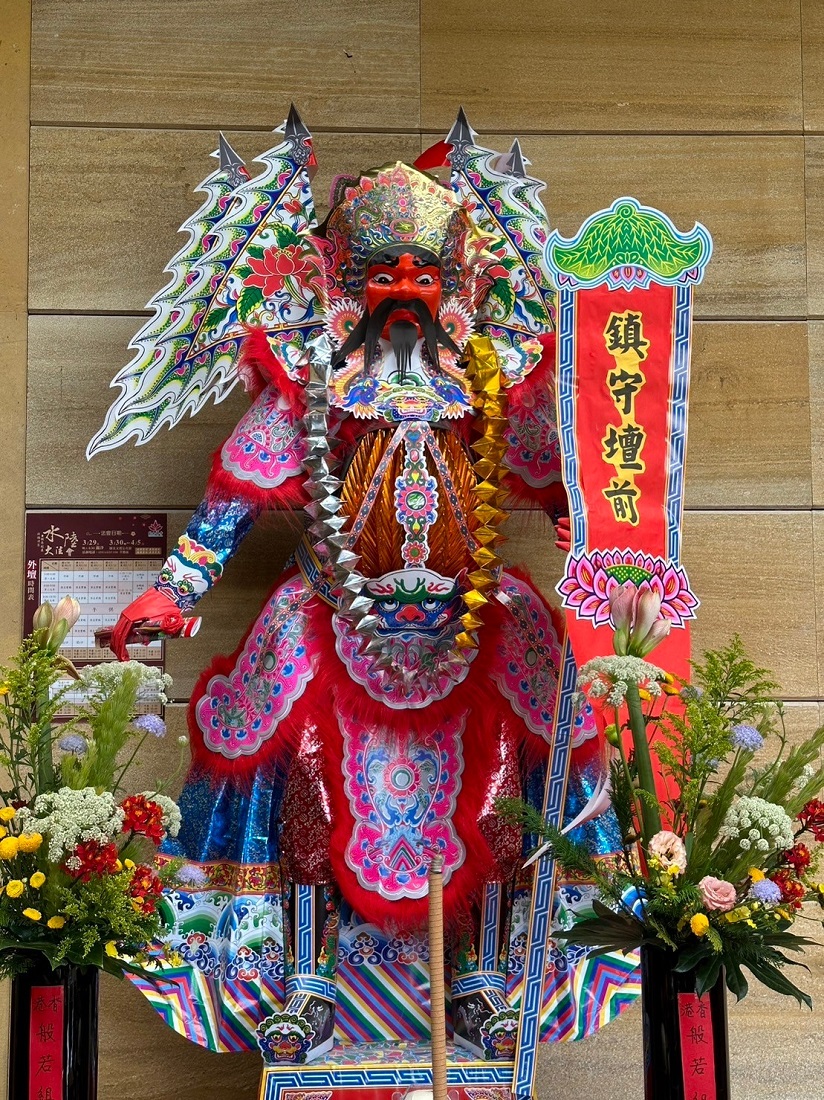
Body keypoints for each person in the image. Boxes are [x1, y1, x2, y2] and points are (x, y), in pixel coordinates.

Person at [96, 119, 608, 1064]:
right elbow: (238, 490)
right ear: (346, 284)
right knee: (298, 770)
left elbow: (557, 480)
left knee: (508, 762)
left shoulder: (489, 383)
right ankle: (305, 974)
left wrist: (600, 542)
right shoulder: (314, 386)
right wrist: (176, 585)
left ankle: (485, 973)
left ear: (456, 286)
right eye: (382, 276)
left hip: (469, 619)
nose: (404, 292)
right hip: (336, 612)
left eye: (423, 276)